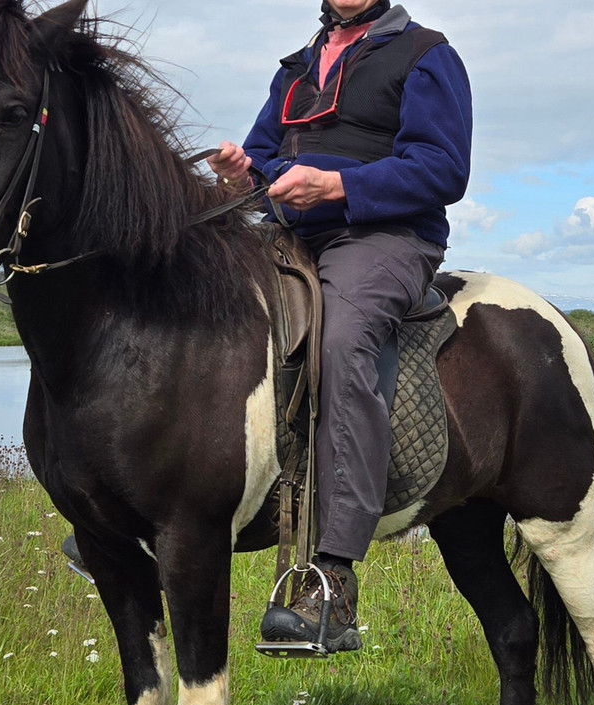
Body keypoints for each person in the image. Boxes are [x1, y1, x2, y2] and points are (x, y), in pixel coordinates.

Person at [210, 0, 472, 653]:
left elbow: (444, 168)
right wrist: (247, 175)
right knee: (203, 307)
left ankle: (333, 580)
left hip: (385, 236)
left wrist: (335, 185)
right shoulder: (296, 68)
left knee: (341, 339)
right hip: (289, 233)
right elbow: (267, 158)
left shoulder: (426, 54)